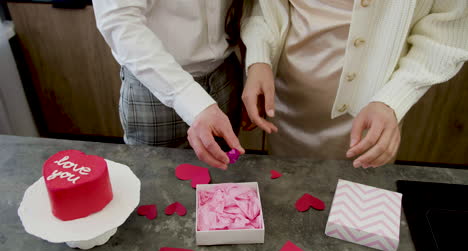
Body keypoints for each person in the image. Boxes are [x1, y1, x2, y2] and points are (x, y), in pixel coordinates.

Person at [242, 0, 468, 168]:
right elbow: (266, 7)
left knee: (362, 210)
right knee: (286, 191)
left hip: (377, 107)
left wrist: (394, 99)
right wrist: (260, 59)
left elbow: (445, 35)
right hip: (288, 102)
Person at [93, 1, 256, 170]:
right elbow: (120, 21)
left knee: (223, 175)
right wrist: (192, 100)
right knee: (154, 179)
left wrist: (251, 69)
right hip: (156, 84)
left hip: (226, 75)